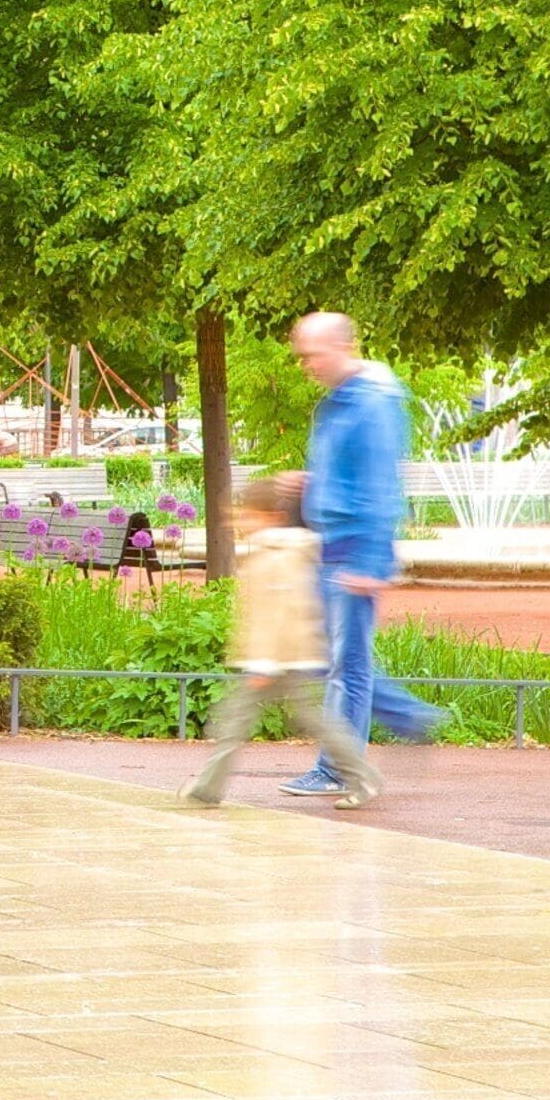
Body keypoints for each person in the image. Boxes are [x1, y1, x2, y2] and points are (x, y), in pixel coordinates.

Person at [285, 314, 435, 794]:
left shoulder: (372, 403)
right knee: (321, 656)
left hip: (352, 551)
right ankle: (409, 717)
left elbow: (380, 484)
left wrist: (372, 561)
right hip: (330, 544)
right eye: (302, 356)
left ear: (342, 346)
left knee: (346, 666)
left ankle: (338, 769)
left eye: (313, 354)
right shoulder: (337, 403)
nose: (306, 365)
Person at [183, 478, 378, 809]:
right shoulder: (273, 551)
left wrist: (264, 663)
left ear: (271, 516)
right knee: (305, 720)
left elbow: (277, 614)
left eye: (247, 516)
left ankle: (207, 789)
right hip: (282, 657)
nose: (240, 523)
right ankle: (361, 776)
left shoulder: (275, 555)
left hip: (278, 658)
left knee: (237, 720)